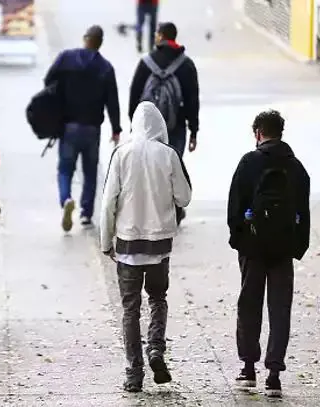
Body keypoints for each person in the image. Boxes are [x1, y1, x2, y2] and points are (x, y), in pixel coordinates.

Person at [100, 102, 192, 393]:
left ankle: (133, 373)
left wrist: (105, 242)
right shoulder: (168, 155)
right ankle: (155, 349)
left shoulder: (121, 154)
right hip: (159, 246)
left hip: (127, 246)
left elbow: (107, 203)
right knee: (157, 299)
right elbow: (185, 197)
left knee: (130, 310)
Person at [227, 110, 310, 398]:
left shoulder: (248, 163)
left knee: (249, 305)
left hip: (253, 247)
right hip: (283, 249)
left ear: (258, 133)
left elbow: (234, 208)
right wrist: (296, 247)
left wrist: (239, 239)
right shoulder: (296, 168)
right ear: (280, 132)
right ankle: (274, 374)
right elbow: (304, 212)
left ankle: (248, 368)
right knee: (280, 308)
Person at [44, 25, 121, 232]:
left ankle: (66, 198)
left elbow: (48, 82)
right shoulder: (105, 67)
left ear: (85, 38)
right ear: (100, 43)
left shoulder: (66, 59)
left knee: (65, 169)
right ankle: (86, 214)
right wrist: (116, 129)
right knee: (89, 172)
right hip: (92, 129)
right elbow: (112, 101)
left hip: (68, 126)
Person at [128, 22, 199, 225]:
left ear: (160, 36)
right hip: (176, 125)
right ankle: (175, 209)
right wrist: (194, 130)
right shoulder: (186, 65)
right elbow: (193, 100)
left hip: (148, 127)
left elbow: (134, 95)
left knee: (149, 167)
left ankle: (151, 210)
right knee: (173, 166)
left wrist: (133, 124)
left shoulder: (146, 63)